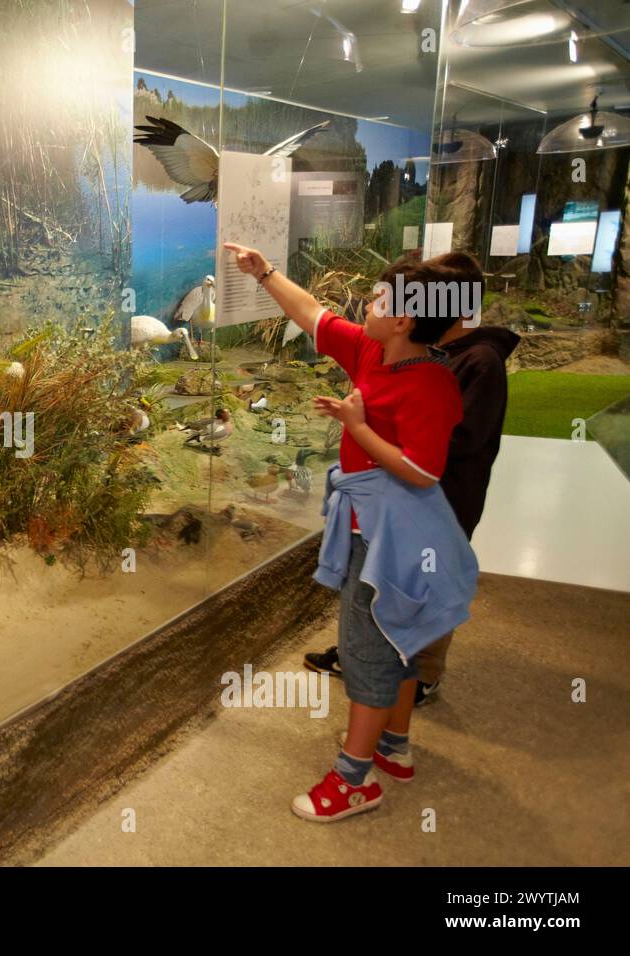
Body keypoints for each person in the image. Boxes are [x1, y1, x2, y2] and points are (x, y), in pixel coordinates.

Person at [224, 241, 480, 822]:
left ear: (405, 318)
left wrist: (357, 428)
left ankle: (353, 779)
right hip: (371, 519)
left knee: (367, 648)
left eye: (379, 296)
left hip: (395, 533)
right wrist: (263, 272)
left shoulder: (431, 383)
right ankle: (394, 746)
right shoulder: (373, 348)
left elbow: (423, 469)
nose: (367, 300)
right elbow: (312, 313)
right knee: (398, 636)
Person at [303, 256, 519, 708]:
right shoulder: (425, 355)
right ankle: (375, 669)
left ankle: (417, 677)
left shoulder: (473, 362)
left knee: (421, 593)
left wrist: (374, 430)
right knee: (381, 599)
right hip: (396, 504)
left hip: (442, 502)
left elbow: (454, 443)